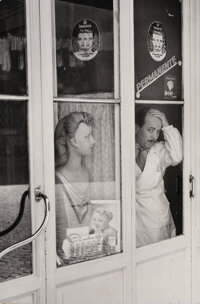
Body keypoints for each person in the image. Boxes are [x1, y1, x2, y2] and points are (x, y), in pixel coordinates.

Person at [135, 107, 182, 247]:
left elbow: (177, 156)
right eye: (150, 130)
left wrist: (167, 126)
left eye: (158, 131)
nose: (154, 136)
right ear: (137, 128)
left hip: (158, 219)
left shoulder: (158, 151)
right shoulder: (124, 151)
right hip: (136, 222)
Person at [54, 111, 96, 263]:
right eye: (87, 136)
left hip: (88, 254)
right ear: (73, 141)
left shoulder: (87, 173)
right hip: (65, 258)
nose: (93, 141)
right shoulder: (56, 178)